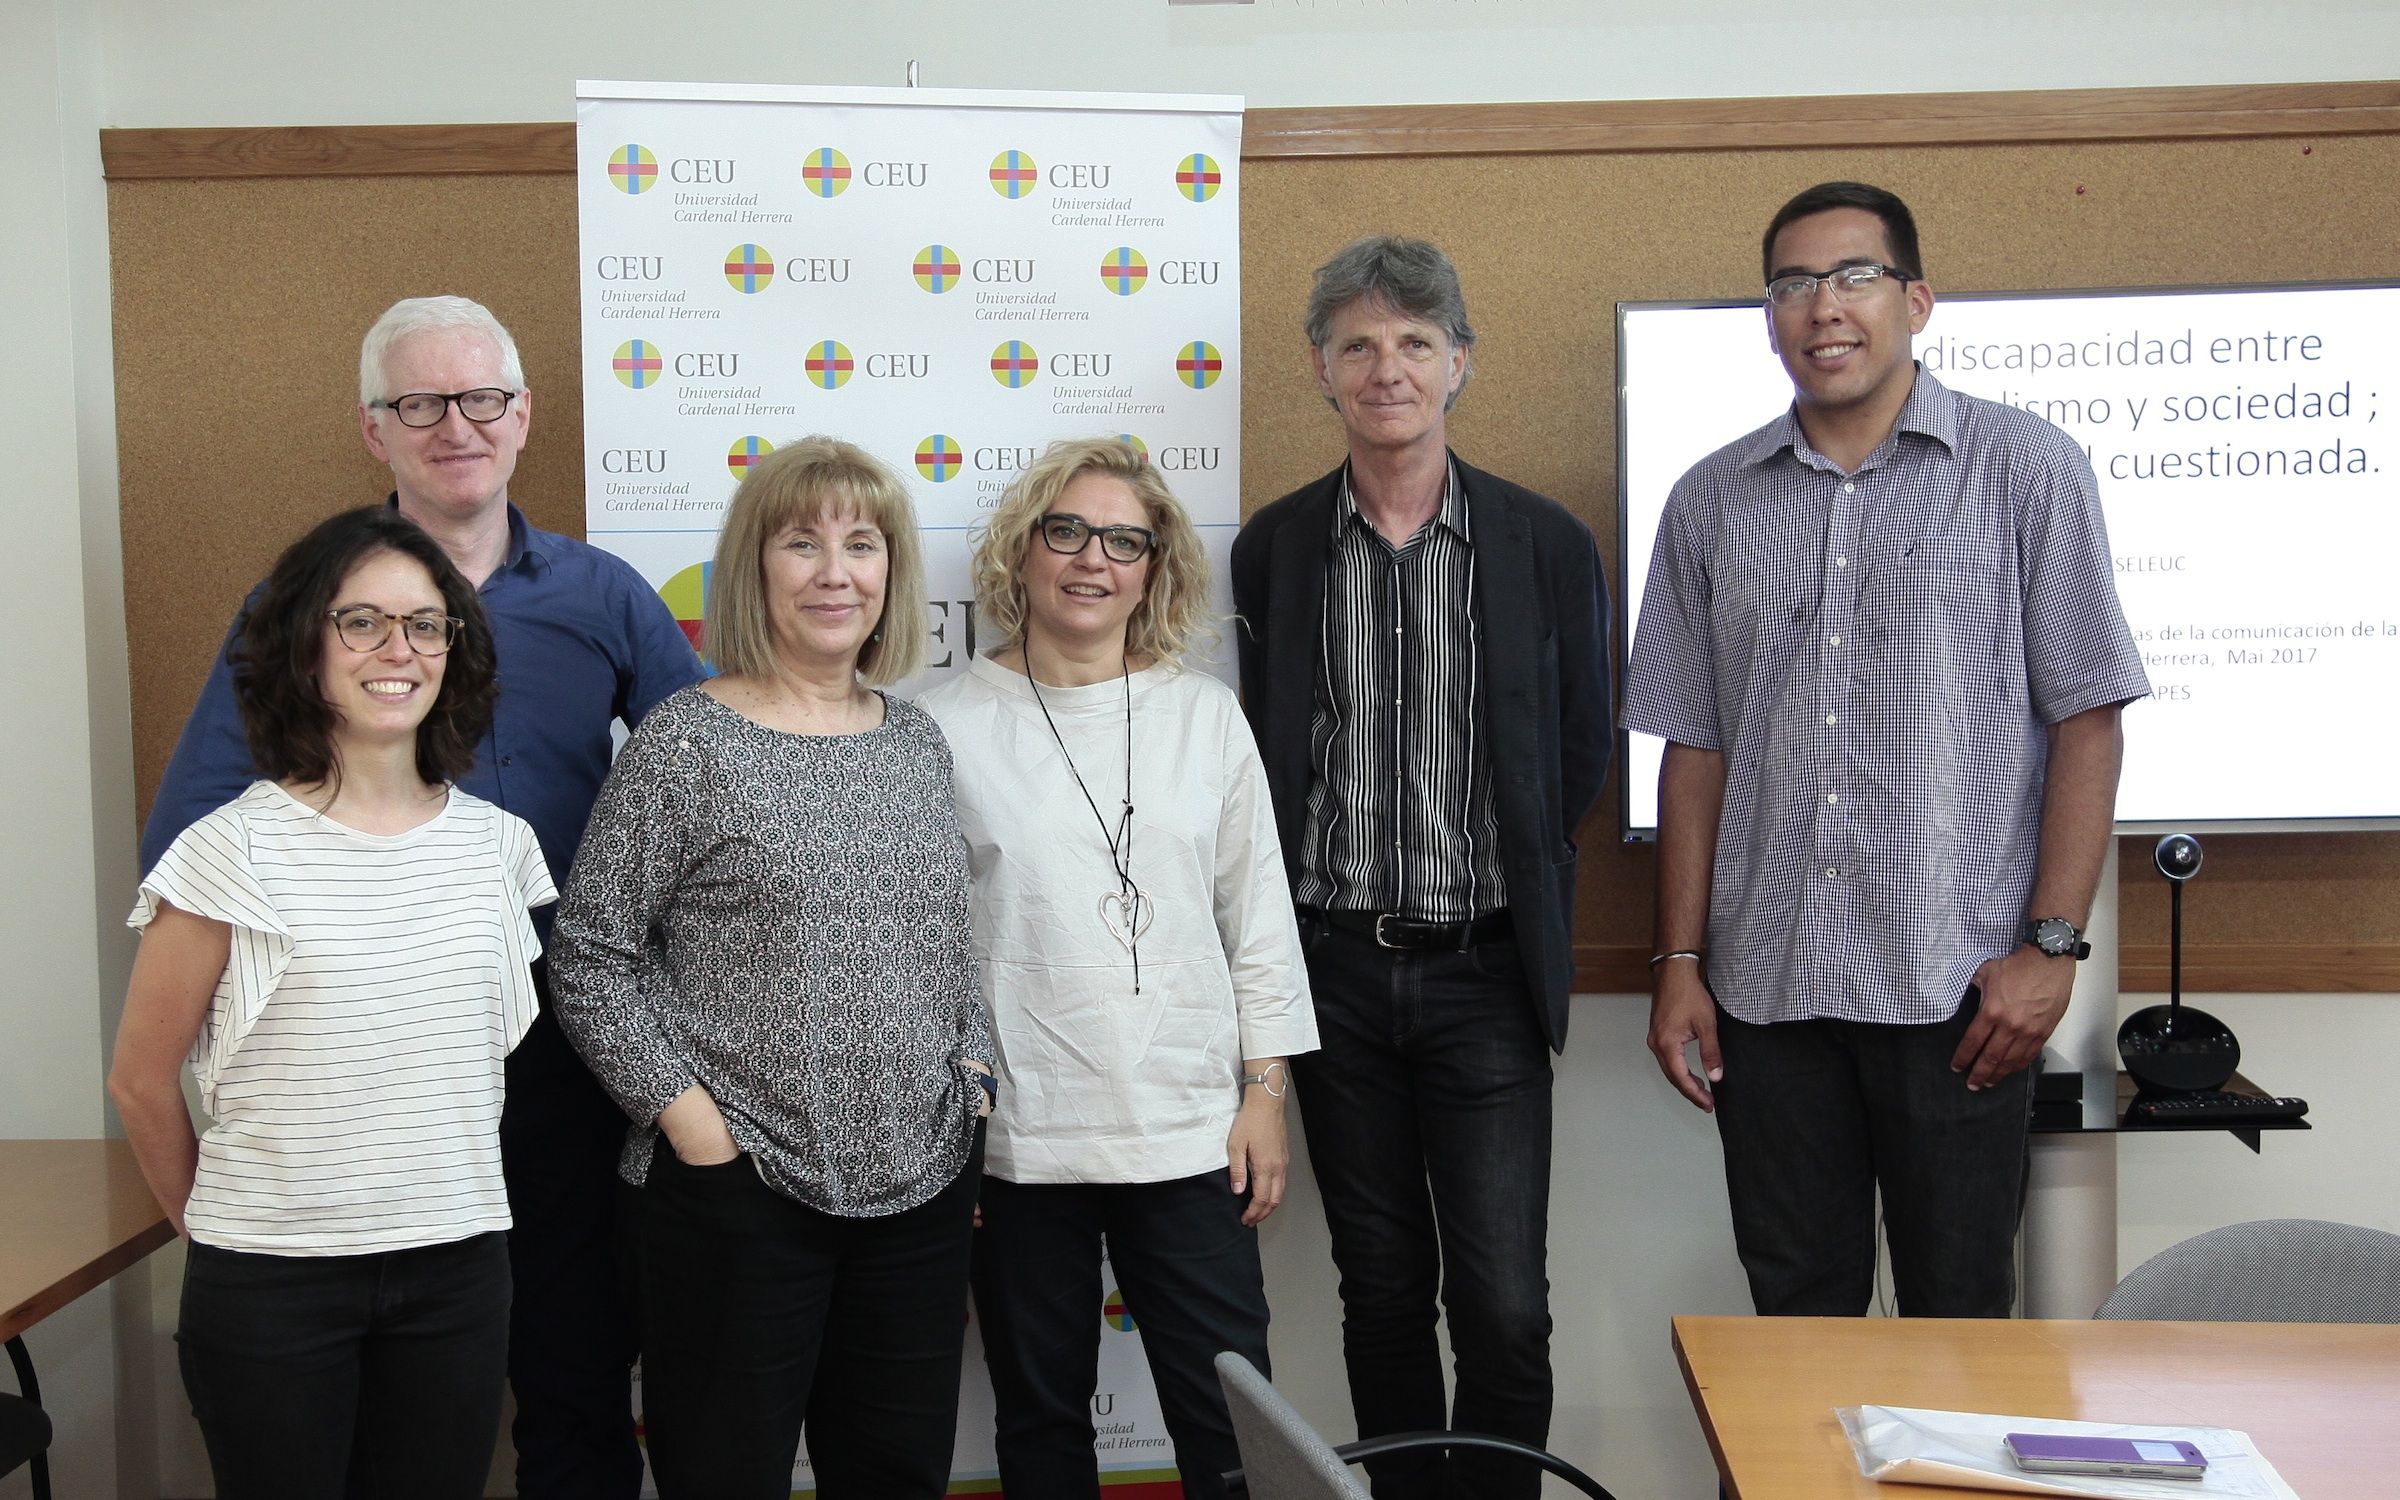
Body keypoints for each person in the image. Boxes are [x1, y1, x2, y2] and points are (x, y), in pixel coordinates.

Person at [139, 295, 702, 1497]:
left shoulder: (608, 600)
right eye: (421, 403)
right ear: (373, 429)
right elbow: (196, 838)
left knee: (574, 1370)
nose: (458, 425)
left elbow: (713, 797)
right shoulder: (296, 611)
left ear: (523, 416)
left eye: (483, 398)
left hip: (566, 1052)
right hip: (359, 1081)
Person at [1623, 181, 2149, 1318]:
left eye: (1854, 276)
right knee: (1795, 1324)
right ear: (1770, 316)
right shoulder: (1711, 499)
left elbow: (2088, 716)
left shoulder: (2026, 469)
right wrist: (1677, 965)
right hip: (1769, 996)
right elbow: (1695, 745)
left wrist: (2052, 949)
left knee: (1959, 1319)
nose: (1825, 307)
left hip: (1957, 996)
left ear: (1915, 300)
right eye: (1794, 284)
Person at [1229, 236, 1611, 1500]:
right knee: (1382, 1293)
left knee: (1504, 1303)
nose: (1386, 369)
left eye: (1412, 343)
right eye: (1358, 346)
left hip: (1484, 977)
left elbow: (1577, 753)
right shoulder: (1278, 549)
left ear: (1459, 362)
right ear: (1321, 371)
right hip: (1332, 972)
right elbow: (1269, 761)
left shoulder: (1543, 544)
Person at [549, 436, 994, 1500]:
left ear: (893, 573)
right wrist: (694, 1127)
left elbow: (943, 944)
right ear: (757, 565)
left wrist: (971, 1086)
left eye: (861, 543)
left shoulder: (914, 742)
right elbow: (589, 955)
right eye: (803, 543)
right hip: (736, 1194)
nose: (835, 572)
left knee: (895, 1477)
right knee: (723, 1475)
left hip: (918, 1191)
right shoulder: (686, 743)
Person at [109, 507, 554, 1500]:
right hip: (273, 1284)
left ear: (454, 648)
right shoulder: (229, 850)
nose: (398, 649)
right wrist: (223, 1229)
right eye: (362, 622)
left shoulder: (499, 850)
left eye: (425, 624)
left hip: (459, 1276)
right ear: (307, 645)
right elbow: (141, 1080)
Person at [920, 438, 1319, 1500]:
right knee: (1043, 1423)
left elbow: (1258, 916)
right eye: (1066, 531)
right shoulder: (940, 726)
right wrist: (941, 1131)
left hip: (1191, 1131)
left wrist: (1265, 1092)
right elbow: (920, 951)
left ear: (1156, 567)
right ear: (1023, 551)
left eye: (1123, 540)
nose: (1092, 559)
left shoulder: (1205, 718)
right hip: (1015, 1141)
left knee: (1230, 1428)